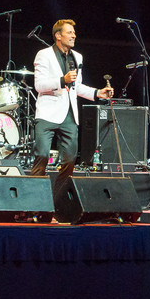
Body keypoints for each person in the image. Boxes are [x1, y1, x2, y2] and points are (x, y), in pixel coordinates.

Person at [29, 19, 113, 194]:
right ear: (58, 36)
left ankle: (58, 199)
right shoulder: (44, 55)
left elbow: (76, 87)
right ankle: (34, 199)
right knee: (42, 155)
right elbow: (39, 85)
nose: (74, 35)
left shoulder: (77, 56)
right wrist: (62, 80)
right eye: (69, 32)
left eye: (74, 32)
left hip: (69, 115)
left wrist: (98, 93)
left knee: (70, 159)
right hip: (47, 113)